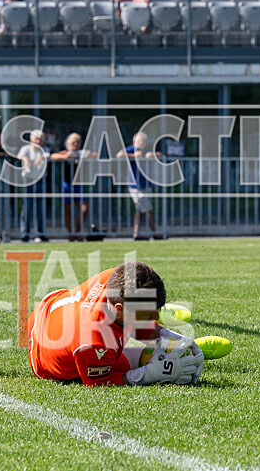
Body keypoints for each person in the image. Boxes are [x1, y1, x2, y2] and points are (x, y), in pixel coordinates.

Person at [27, 261, 204, 387]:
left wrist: (168, 336)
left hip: (49, 306)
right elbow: (98, 384)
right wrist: (149, 375)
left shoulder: (115, 277)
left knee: (139, 332)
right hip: (43, 362)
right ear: (119, 309)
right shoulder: (93, 341)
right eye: (149, 313)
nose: (156, 316)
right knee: (140, 361)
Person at [50, 133, 97, 241]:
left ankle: (77, 231)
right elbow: (52, 156)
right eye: (73, 142)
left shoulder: (81, 153)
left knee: (84, 208)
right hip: (66, 183)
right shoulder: (65, 152)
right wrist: (64, 157)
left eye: (78, 142)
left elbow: (95, 155)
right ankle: (70, 233)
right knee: (67, 209)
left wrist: (85, 155)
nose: (75, 144)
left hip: (79, 183)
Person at [117, 132, 158, 240]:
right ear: (134, 141)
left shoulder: (147, 149)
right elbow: (119, 155)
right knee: (148, 209)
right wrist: (134, 156)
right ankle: (154, 232)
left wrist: (153, 155)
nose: (142, 143)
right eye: (140, 141)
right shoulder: (132, 149)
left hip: (146, 184)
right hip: (135, 185)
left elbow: (160, 154)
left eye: (144, 141)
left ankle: (137, 233)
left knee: (140, 210)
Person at [18, 130, 48, 243]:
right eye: (36, 139)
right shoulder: (26, 149)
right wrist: (25, 159)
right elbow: (21, 156)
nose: (38, 141)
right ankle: (25, 233)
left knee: (40, 207)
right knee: (27, 207)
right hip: (28, 180)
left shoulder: (44, 150)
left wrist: (41, 157)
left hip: (40, 180)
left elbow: (50, 155)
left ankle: (40, 233)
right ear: (31, 139)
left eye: (40, 139)